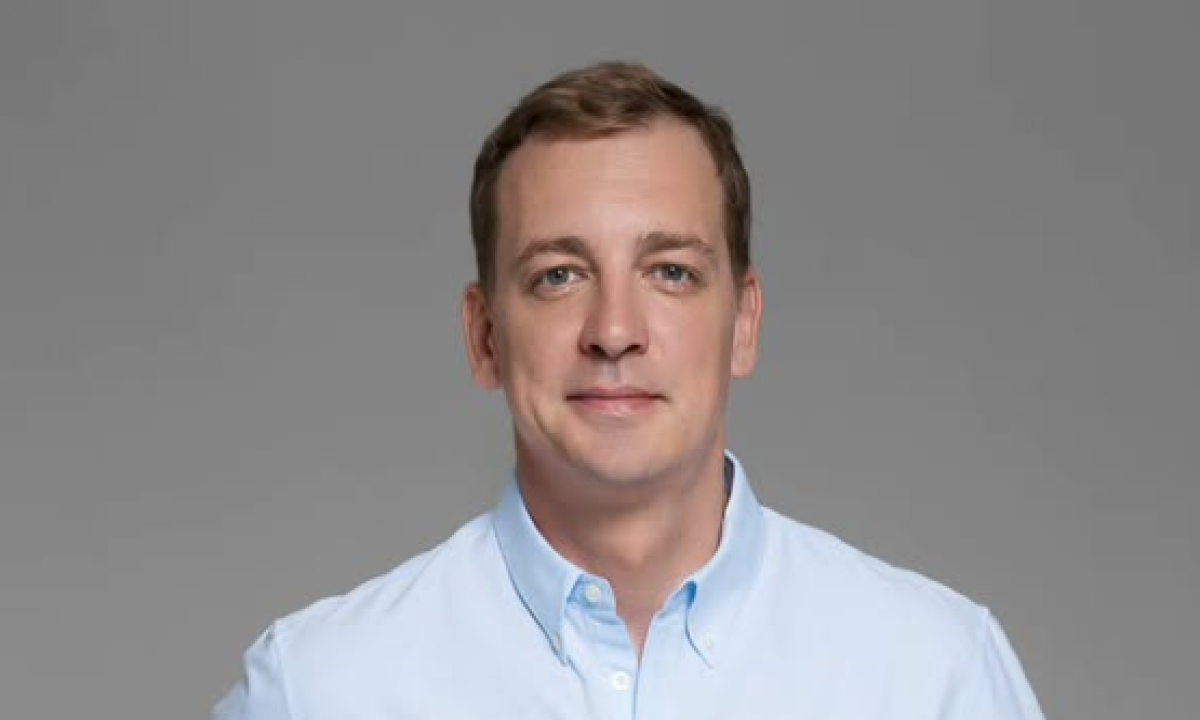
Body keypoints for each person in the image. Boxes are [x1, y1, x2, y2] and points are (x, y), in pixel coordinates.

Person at [214, 62, 1046, 719]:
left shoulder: (937, 677)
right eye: (558, 275)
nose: (614, 330)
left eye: (671, 272)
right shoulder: (318, 689)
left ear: (744, 322)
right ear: (484, 335)